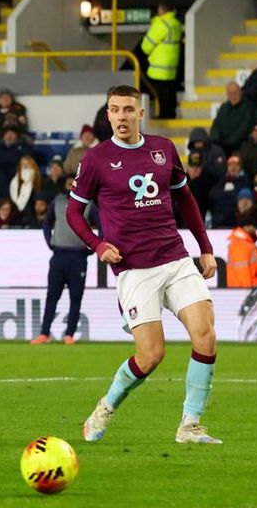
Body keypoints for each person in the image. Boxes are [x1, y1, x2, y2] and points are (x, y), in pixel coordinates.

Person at [67, 85, 221, 445]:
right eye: (114, 110)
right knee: (151, 355)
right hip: (134, 268)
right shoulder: (95, 159)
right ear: (107, 116)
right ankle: (106, 406)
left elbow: (186, 200)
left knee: (206, 334)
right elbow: (74, 211)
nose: (121, 116)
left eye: (128, 109)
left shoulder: (163, 149)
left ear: (141, 114)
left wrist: (206, 248)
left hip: (175, 257)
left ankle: (190, 425)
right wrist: (98, 244)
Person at [33, 177, 95, 345]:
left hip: (78, 256)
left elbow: (103, 226)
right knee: (52, 296)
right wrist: (50, 242)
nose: (71, 186)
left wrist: (93, 247)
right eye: (68, 184)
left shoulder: (89, 204)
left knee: (75, 297)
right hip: (59, 255)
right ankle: (44, 333)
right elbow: (46, 223)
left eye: (73, 183)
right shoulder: (58, 202)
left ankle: (69, 334)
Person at [141, 3, 183, 119]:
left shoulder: (161, 24)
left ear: (162, 10)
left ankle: (164, 115)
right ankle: (171, 113)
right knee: (170, 89)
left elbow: (146, 45)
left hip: (159, 64)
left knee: (161, 91)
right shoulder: (176, 24)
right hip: (172, 64)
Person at [226, 221, 257, 287]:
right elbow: (241, 271)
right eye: (252, 226)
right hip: (245, 289)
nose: (254, 229)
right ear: (245, 227)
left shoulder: (246, 243)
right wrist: (246, 290)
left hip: (252, 289)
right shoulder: (240, 244)